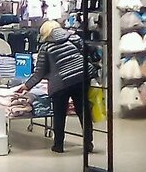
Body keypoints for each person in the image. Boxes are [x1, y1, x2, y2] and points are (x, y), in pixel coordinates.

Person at [18, 20, 92, 153]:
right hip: (81, 77)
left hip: (61, 82)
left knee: (59, 114)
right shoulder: (74, 38)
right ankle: (88, 143)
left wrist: (26, 86)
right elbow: (87, 54)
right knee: (83, 112)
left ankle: (58, 145)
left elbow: (39, 72)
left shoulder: (46, 47)